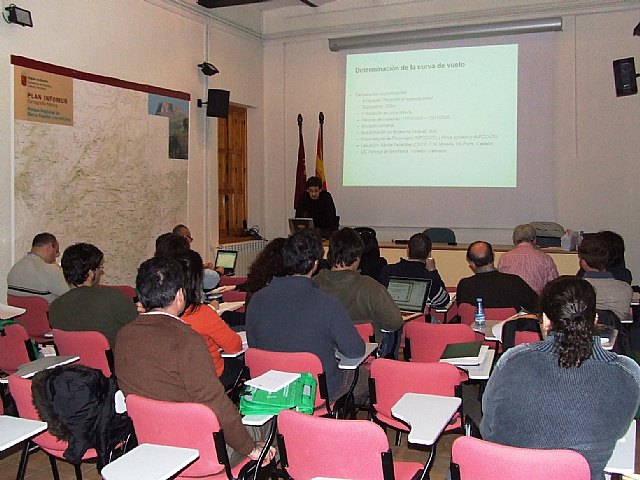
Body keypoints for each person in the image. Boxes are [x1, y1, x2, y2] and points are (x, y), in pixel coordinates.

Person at [115, 256, 275, 467]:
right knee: (274, 420)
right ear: (180, 295)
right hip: (201, 450)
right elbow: (216, 404)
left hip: (151, 443)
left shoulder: (123, 336)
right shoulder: (187, 339)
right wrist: (251, 448)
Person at [480, 276, 640, 480]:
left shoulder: (512, 359)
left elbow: (488, 426)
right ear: (595, 320)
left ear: (545, 319)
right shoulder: (627, 372)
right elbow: (617, 433)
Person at [245, 230, 365, 403]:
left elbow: (255, 345)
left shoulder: (257, 299)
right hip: (316, 393)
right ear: (316, 264)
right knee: (363, 377)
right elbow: (355, 351)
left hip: (271, 391)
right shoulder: (328, 304)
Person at [313, 227, 403, 351]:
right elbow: (395, 322)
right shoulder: (371, 287)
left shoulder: (313, 284)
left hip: (324, 350)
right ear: (357, 257)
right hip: (365, 351)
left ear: (330, 253)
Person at [48, 243, 137, 348]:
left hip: (74, 363)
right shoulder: (113, 297)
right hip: (115, 362)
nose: (101, 272)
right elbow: (139, 327)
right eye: (99, 268)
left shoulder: (54, 308)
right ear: (90, 273)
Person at [178, 250, 243, 390]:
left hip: (180, 382)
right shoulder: (202, 313)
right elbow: (234, 346)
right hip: (211, 377)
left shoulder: (160, 316)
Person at [456, 241, 538, 312]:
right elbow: (537, 306)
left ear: (472, 264)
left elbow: (462, 313)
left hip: (475, 329)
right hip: (509, 329)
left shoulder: (465, 286)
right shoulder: (515, 281)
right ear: (493, 255)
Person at [379, 232, 449, 309]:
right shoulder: (430, 277)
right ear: (429, 254)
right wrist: (433, 271)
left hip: (390, 318)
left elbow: (379, 299)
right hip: (419, 320)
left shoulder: (387, 270)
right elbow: (443, 301)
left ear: (407, 250)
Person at [578, 233, 632, 322]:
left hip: (582, 334)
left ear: (583, 263)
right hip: (617, 335)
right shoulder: (626, 289)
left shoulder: (575, 290)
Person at [497, 223, 559, 294]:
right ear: (535, 240)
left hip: (512, 301)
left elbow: (501, 282)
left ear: (514, 240)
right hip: (536, 301)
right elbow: (554, 285)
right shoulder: (545, 258)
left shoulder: (504, 258)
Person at [7, 232, 69, 303]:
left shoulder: (15, 269)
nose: (57, 255)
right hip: (49, 313)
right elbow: (73, 295)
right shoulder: (50, 270)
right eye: (56, 251)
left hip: (21, 314)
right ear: (49, 247)